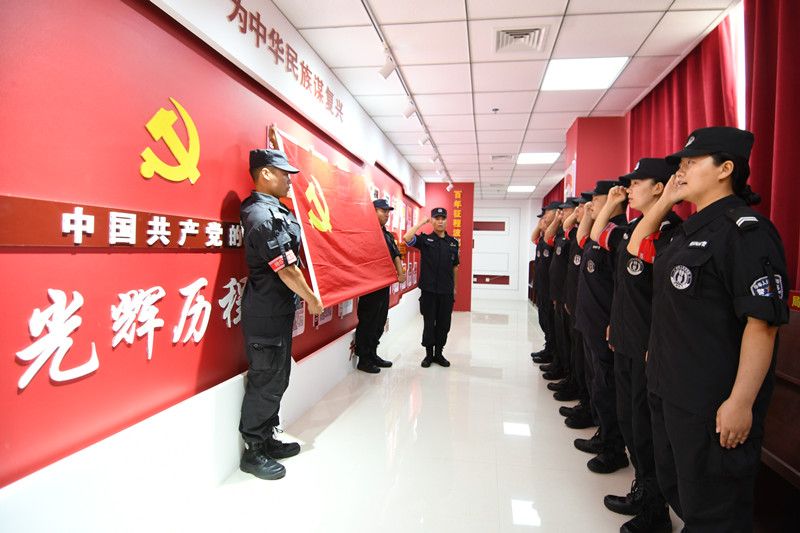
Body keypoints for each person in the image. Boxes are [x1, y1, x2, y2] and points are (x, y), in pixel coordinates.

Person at [628, 127, 789, 532]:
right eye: (679, 165)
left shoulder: (747, 232)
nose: (680, 172)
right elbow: (635, 247)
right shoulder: (687, 231)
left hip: (710, 404)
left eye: (691, 163)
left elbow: (762, 324)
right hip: (669, 390)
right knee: (681, 493)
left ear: (725, 169)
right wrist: (666, 199)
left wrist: (741, 402)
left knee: (715, 511)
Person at [592, 159, 681, 533]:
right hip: (626, 339)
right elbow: (598, 235)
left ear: (660, 188)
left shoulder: (672, 232)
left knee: (648, 430)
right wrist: (613, 205)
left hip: (649, 347)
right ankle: (643, 491)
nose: (628, 189)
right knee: (630, 422)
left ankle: (656, 507)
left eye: (636, 183)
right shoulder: (633, 229)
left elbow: (667, 298)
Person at [238, 148, 324, 480]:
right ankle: (253, 450)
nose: (289, 180)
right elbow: (286, 269)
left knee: (278, 377)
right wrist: (312, 299)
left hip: (278, 310)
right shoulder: (261, 216)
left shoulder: (277, 210)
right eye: (284, 174)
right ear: (265, 174)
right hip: (266, 313)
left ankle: (267, 438)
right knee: (266, 379)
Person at [573, 179, 630, 474]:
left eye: (595, 199)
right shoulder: (603, 230)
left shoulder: (619, 233)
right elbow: (584, 236)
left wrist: (608, 205)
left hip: (605, 323)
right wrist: (591, 212)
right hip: (591, 320)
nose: (589, 205)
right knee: (597, 383)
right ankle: (603, 434)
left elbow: (622, 286)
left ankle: (613, 447)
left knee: (608, 387)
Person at [354, 199, 406, 373]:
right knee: (368, 320)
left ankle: (373, 353)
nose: (387, 214)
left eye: (388, 212)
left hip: (384, 284)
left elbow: (396, 254)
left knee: (379, 320)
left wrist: (400, 273)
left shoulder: (387, 235)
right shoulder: (366, 232)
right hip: (370, 284)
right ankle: (363, 359)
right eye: (383, 211)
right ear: (373, 211)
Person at [403, 207, 460, 367]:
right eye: (437, 219)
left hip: (446, 291)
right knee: (429, 323)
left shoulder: (453, 243)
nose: (440, 222)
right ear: (432, 221)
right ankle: (428, 355)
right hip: (429, 291)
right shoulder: (425, 240)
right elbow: (407, 238)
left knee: (444, 324)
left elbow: (455, 267)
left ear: (446, 221)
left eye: (443, 219)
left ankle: (439, 354)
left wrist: (454, 288)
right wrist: (421, 223)